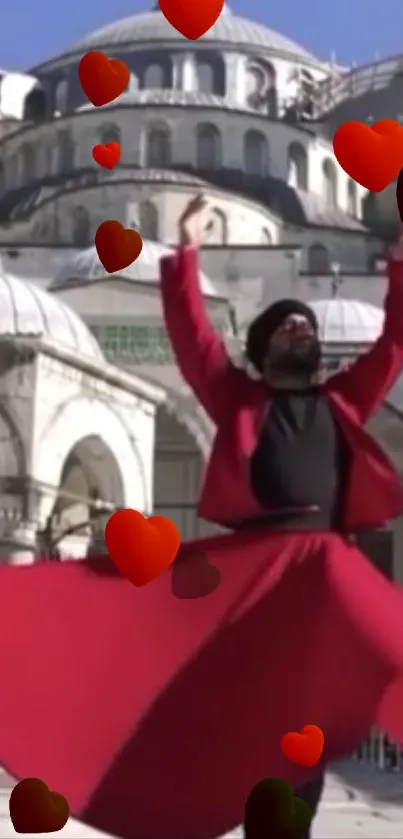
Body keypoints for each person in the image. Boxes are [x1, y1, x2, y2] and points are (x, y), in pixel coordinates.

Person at [0, 198, 403, 839]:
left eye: (307, 327)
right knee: (274, 712)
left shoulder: (345, 399)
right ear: (265, 346)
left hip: (327, 564)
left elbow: (394, 341)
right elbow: (194, 338)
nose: (302, 330)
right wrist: (186, 251)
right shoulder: (238, 396)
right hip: (257, 566)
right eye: (289, 325)